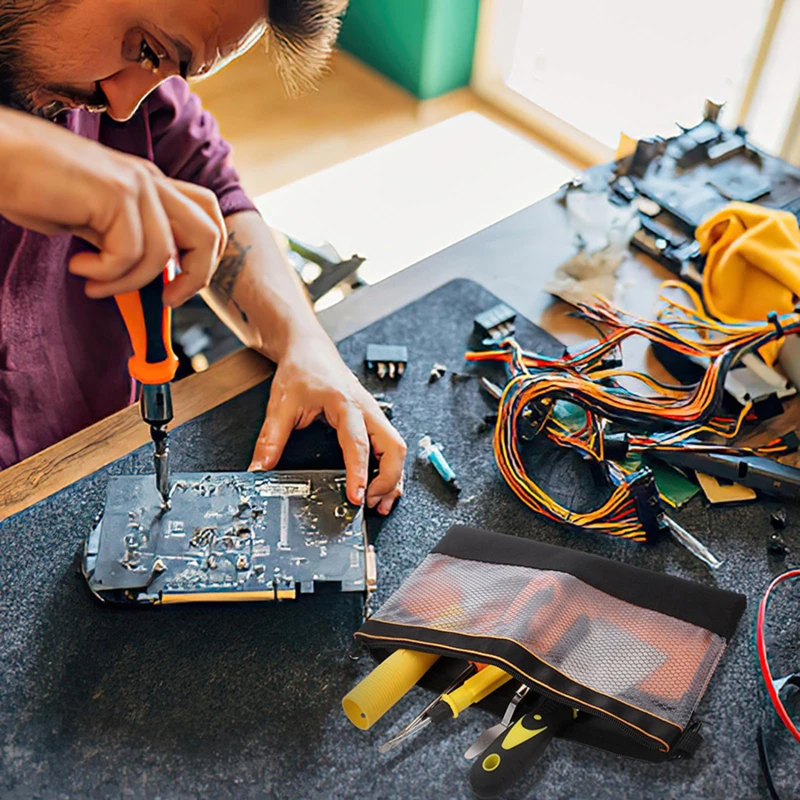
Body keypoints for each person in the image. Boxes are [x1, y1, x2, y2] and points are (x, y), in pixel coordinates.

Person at [0, 0, 406, 515]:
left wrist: (303, 344)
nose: (123, 105)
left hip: (86, 449)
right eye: (145, 47)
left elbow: (214, 193)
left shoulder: (123, 73)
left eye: (166, 67)